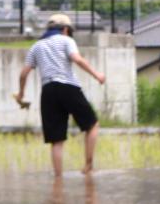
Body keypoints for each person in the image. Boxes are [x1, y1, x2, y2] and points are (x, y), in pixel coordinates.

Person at [15, 12, 107, 177]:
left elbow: (23, 74)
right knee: (92, 125)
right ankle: (88, 166)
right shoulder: (66, 40)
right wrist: (97, 75)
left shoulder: (36, 46)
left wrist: (21, 95)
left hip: (48, 91)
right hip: (68, 87)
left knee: (56, 140)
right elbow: (77, 59)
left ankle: (58, 177)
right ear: (65, 29)